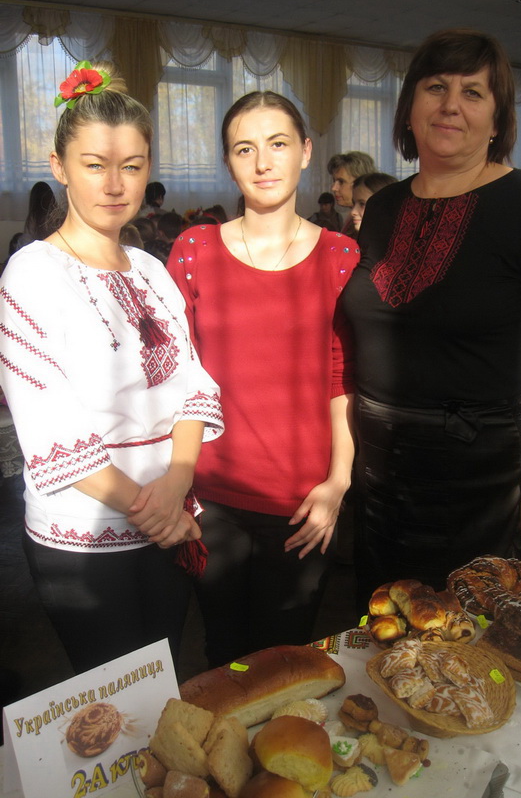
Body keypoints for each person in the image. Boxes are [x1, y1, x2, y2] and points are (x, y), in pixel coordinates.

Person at [342, 29, 521, 609]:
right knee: (381, 628)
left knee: (466, 636)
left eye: (473, 92)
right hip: (378, 472)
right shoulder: (384, 207)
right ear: (409, 107)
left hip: (477, 477)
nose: (451, 105)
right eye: (436, 87)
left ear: (498, 120)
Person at [0, 60, 224, 674]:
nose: (115, 185)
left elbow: (192, 383)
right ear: (59, 166)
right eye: (95, 165)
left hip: (168, 516)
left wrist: (177, 484)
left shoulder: (150, 269)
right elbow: (50, 426)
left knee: (165, 676)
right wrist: (157, 511)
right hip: (87, 534)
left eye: (132, 166)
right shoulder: (32, 274)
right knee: (117, 700)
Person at [167, 90, 359, 667]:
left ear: (305, 151)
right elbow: (174, 376)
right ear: (229, 162)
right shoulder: (195, 249)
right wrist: (176, 483)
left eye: (277, 144)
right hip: (211, 497)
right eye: (244, 148)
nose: (262, 162)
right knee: (224, 655)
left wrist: (338, 483)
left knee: (286, 660)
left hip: (302, 503)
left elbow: (343, 379)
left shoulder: (341, 256)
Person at [18, 181, 58, 247]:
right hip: (56, 247)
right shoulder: (59, 214)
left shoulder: (34, 217)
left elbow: (27, 242)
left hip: (39, 248)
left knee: (18, 239)